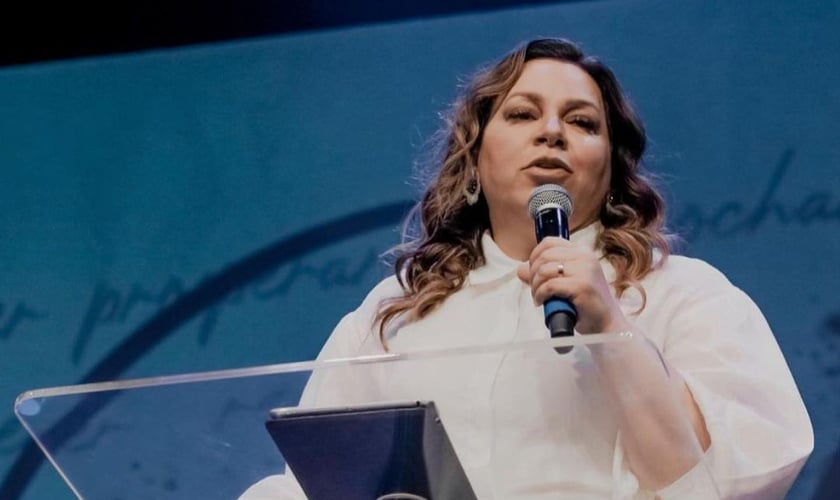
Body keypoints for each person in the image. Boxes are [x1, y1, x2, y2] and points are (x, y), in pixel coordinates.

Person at [241, 38, 812, 499]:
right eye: (522, 113)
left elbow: (722, 481)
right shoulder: (395, 312)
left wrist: (611, 327)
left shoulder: (681, 293)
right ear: (474, 157)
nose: (552, 132)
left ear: (610, 171)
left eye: (583, 123)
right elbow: (310, 484)